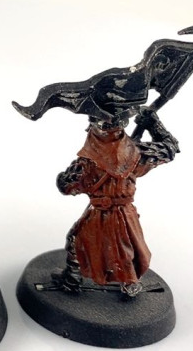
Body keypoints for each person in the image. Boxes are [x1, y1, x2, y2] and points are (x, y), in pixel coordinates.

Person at [56, 108, 179, 296]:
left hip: (114, 215)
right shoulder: (136, 154)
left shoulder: (89, 162)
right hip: (103, 212)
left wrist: (153, 123)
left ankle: (129, 284)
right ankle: (72, 278)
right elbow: (169, 147)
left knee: (121, 252)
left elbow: (66, 186)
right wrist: (153, 124)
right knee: (78, 241)